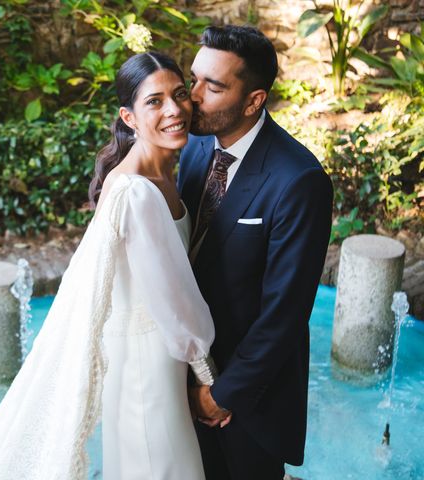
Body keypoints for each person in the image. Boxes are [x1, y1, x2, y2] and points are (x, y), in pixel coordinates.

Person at [0, 52, 222, 480]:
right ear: (128, 117)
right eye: (154, 102)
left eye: (178, 95)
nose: (174, 110)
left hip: (159, 357)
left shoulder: (168, 173)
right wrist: (209, 376)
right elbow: (175, 300)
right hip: (145, 367)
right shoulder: (134, 192)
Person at [180, 25, 333, 480]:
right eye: (194, 78)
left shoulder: (299, 181)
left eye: (214, 86)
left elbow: (284, 314)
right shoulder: (191, 144)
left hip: (250, 403)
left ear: (254, 100)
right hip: (185, 378)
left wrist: (221, 393)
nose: (193, 96)